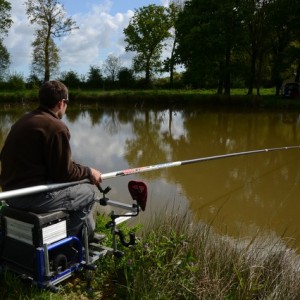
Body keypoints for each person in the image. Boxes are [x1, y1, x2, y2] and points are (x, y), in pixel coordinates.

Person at [0, 80, 102, 240]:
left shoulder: (24, 120)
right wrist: (89, 172)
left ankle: (86, 233)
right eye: (67, 102)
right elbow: (64, 174)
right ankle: (68, 248)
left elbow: (56, 166)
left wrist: (82, 172)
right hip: (30, 197)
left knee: (78, 185)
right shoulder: (56, 126)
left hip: (10, 194)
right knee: (88, 192)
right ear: (61, 102)